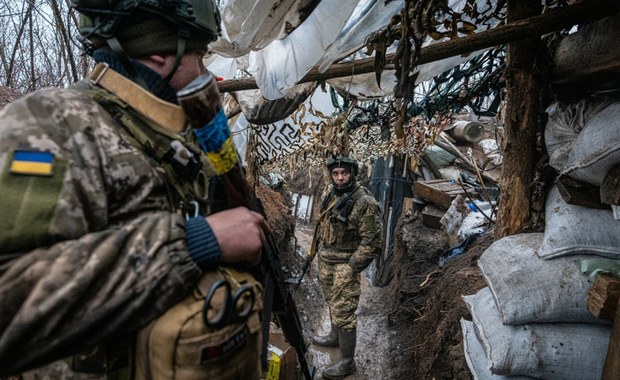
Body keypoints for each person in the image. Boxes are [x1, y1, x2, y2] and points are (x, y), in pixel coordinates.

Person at [0, 0, 267, 378]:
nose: (204, 70)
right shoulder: (52, 124)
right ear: (160, 53)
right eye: (199, 54)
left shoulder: (173, 130)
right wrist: (194, 243)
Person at [312, 155, 383, 379]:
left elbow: (372, 242)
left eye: (344, 173)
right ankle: (334, 336)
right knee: (332, 301)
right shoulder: (328, 194)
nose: (340, 178)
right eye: (335, 174)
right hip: (326, 260)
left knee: (345, 312)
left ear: (352, 173)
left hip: (345, 264)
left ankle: (347, 361)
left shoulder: (365, 203)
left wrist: (351, 267)